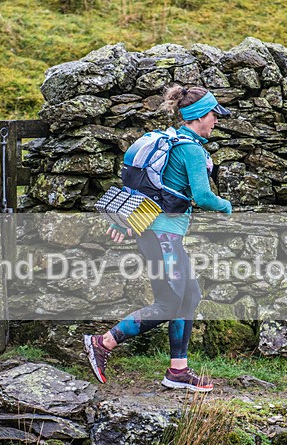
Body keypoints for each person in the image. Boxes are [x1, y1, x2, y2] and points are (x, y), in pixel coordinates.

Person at [84, 85, 233, 392]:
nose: (216, 121)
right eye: (213, 115)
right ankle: (103, 342)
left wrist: (128, 222)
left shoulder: (172, 140)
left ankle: (178, 371)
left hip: (160, 234)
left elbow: (149, 189)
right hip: (162, 237)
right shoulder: (191, 149)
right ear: (199, 116)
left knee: (189, 296)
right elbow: (203, 196)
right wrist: (225, 206)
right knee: (169, 303)